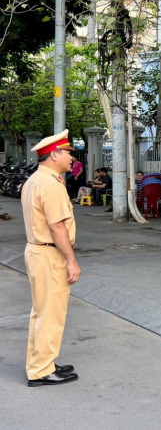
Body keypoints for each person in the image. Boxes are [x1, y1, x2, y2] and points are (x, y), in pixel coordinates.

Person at [22, 130, 81, 387]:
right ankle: (40, 371)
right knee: (50, 314)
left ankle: (41, 363)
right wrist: (71, 261)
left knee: (41, 312)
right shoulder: (51, 184)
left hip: (37, 251)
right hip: (49, 253)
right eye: (68, 153)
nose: (72, 157)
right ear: (55, 154)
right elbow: (57, 227)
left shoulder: (36, 179)